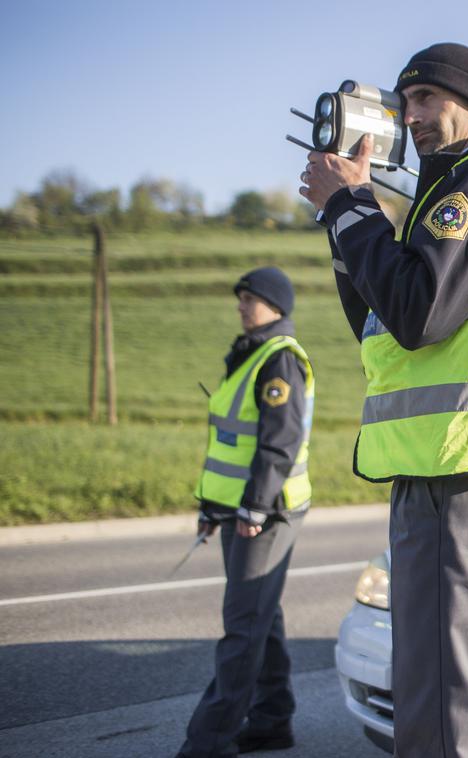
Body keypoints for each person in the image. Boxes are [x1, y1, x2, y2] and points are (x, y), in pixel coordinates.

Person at [300, 42, 468, 758]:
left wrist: (352, 205)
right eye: (402, 102)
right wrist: (346, 221)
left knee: (445, 704)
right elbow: (383, 324)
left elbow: (420, 311)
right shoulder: (462, 192)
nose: (409, 115)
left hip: (459, 470)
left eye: (426, 100)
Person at [177, 266, 315, 758]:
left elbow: (280, 443)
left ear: (275, 306)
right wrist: (214, 507)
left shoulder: (279, 361)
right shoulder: (250, 354)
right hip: (241, 508)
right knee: (260, 616)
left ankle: (208, 741)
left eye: (248, 298)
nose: (240, 305)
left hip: (268, 511)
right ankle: (273, 722)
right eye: (239, 297)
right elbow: (233, 443)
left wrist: (255, 506)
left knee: (243, 625)